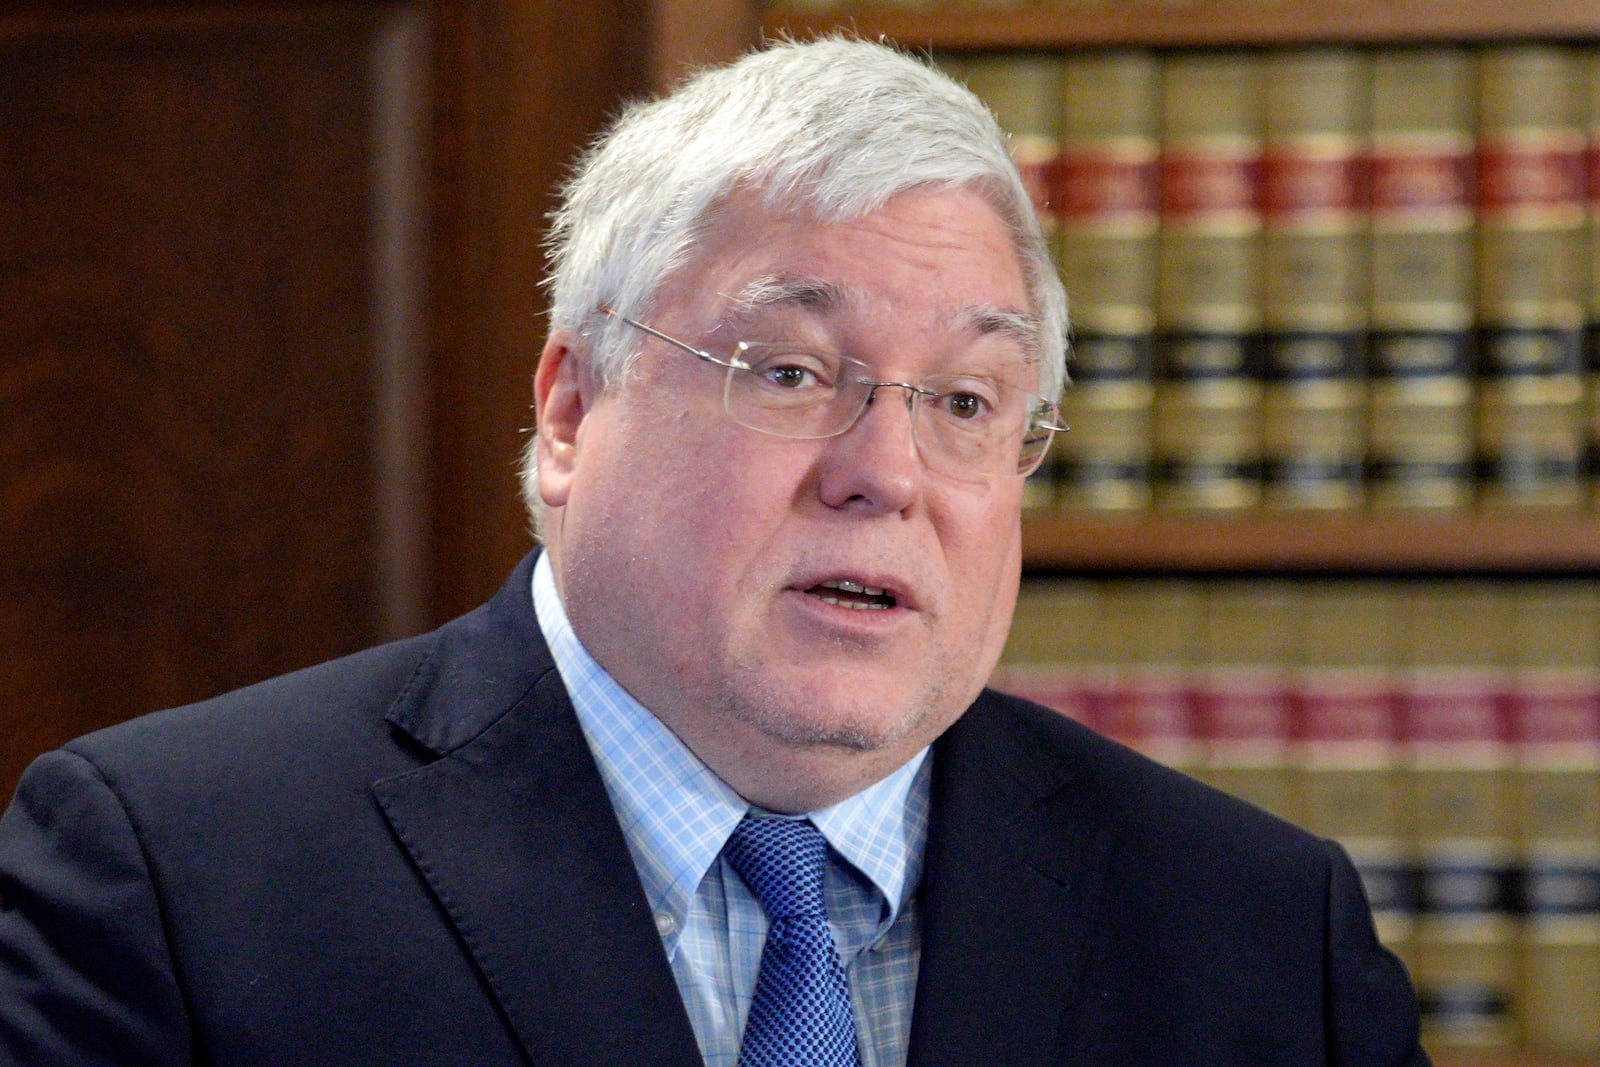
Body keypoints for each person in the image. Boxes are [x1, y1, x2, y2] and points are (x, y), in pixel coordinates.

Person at [0, 35, 1427, 1066]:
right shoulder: (170, 877)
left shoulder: (1257, 936)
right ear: (572, 410)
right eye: (794, 373)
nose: (887, 475)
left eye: (968, 402)